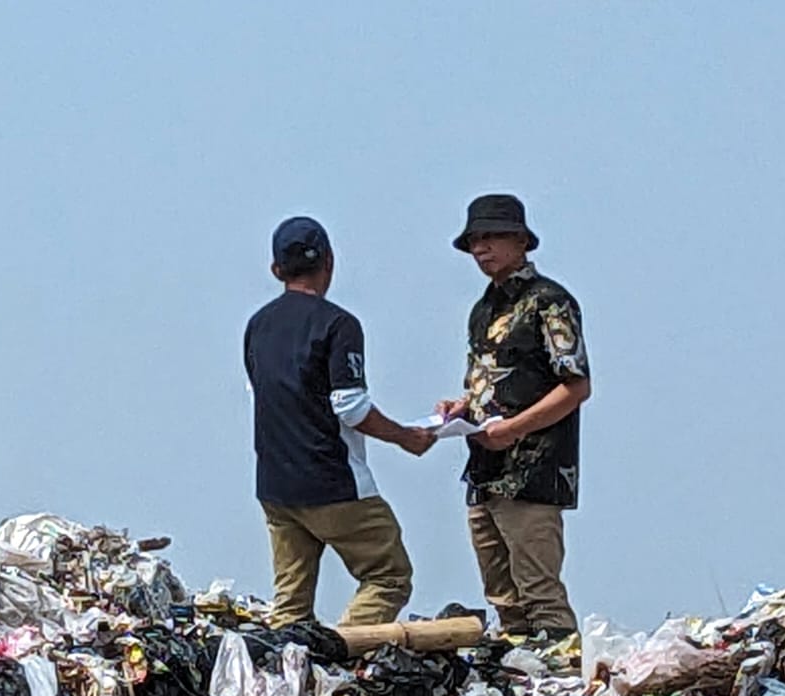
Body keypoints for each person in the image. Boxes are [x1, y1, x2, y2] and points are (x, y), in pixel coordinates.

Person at [244, 216, 435, 627]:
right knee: (388, 576)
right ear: (330, 262)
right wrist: (406, 437)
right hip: (332, 482)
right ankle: (341, 652)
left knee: (290, 606)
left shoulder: (258, 325)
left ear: (276, 270)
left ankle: (290, 676)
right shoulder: (338, 324)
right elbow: (350, 407)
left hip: (276, 485)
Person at [437, 194, 592, 641]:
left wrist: (514, 428)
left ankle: (563, 688)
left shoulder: (550, 303)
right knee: (503, 597)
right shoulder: (483, 309)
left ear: (521, 240)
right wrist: (462, 407)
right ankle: (524, 687)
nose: (481, 249)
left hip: (534, 469)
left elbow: (576, 386)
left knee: (540, 592)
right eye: (475, 241)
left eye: (491, 237)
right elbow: (489, 381)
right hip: (485, 469)